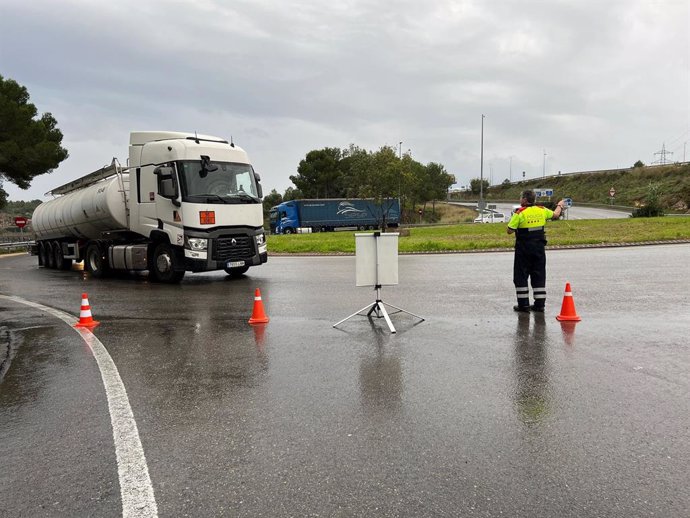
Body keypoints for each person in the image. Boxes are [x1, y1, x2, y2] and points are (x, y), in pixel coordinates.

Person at [507, 190, 565, 312]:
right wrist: (559, 205)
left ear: (524, 200)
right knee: (539, 275)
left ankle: (523, 305)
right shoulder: (542, 210)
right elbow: (555, 215)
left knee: (521, 276)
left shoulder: (519, 213)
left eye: (520, 198)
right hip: (539, 249)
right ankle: (539, 305)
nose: (520, 200)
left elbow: (509, 230)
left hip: (523, 250)